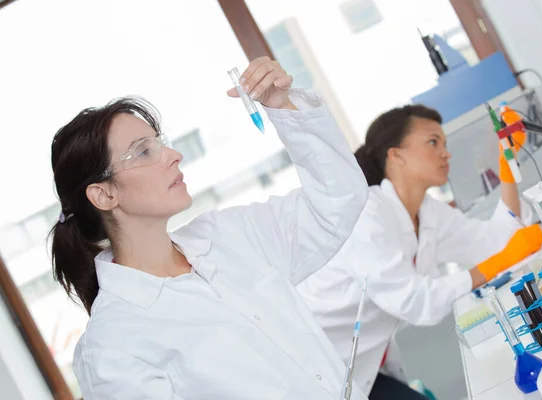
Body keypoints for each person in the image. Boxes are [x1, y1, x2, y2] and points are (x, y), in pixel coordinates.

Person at [49, 57, 370, 399]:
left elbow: (338, 199)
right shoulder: (113, 344)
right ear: (104, 194)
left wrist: (284, 107)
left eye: (159, 141)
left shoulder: (228, 235)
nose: (173, 155)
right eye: (143, 152)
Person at [296, 105, 542, 398]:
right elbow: (413, 300)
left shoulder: (428, 212)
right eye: (433, 142)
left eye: (445, 143)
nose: (446, 153)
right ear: (396, 154)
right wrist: (495, 264)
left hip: (360, 367)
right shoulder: (366, 214)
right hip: (311, 369)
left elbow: (497, 243)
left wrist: (508, 164)